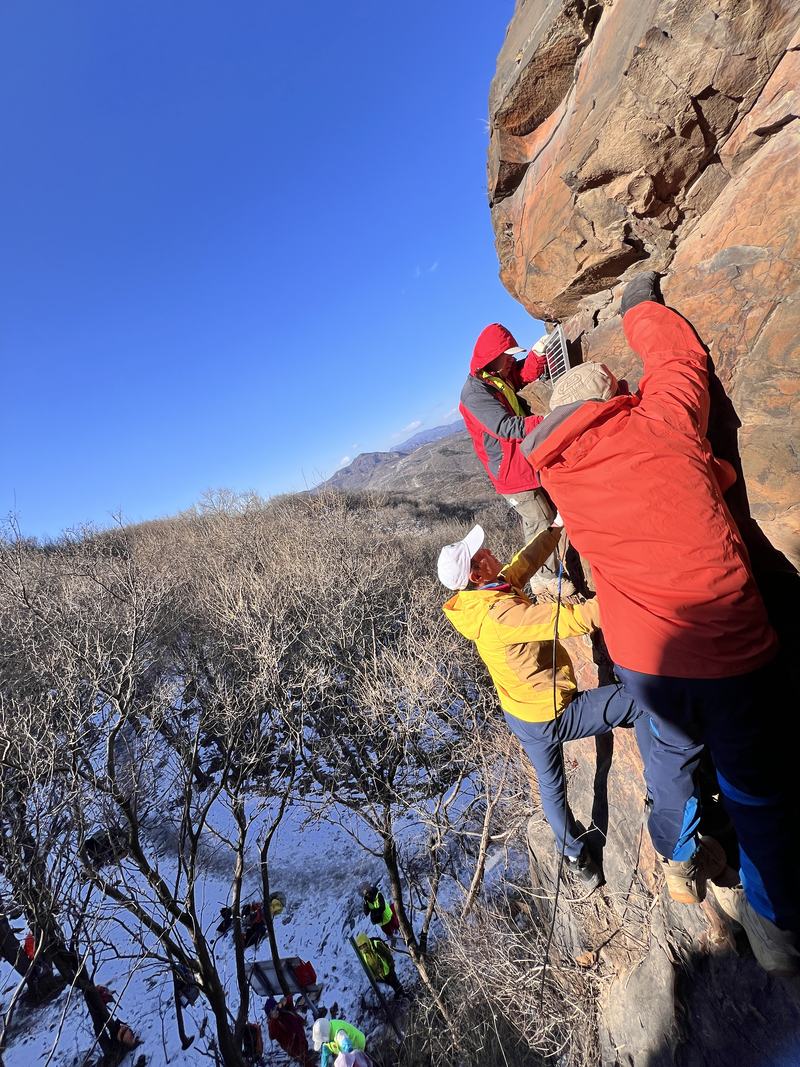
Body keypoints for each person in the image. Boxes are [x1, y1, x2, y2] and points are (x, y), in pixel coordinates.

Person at [521, 271, 799, 975]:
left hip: (648, 659)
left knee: (671, 762)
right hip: (729, 644)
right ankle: (776, 932)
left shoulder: (560, 477)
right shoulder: (663, 419)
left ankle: (679, 861)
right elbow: (680, 362)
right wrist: (641, 301)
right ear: (615, 398)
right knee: (754, 786)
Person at [438, 522, 649, 888]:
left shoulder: (484, 595)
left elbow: (525, 561)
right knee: (641, 701)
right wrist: (621, 600)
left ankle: (573, 856)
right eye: (481, 554)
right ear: (475, 572)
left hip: (522, 714)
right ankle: (661, 794)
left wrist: (554, 530)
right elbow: (565, 620)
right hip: (553, 714)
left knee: (552, 788)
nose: (489, 551)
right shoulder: (498, 615)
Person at [460, 322, 574, 596]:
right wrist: (547, 421)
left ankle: (547, 571)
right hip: (511, 472)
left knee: (543, 516)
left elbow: (521, 377)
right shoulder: (475, 394)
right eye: (507, 354)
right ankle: (544, 580)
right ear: (490, 356)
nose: (511, 359)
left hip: (523, 461)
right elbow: (506, 427)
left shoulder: (496, 375)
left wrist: (536, 355)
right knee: (540, 519)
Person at [265, 995, 313, 1066]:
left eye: (275, 1008)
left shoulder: (283, 1011)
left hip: (300, 1037)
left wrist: (284, 1001)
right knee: (305, 1059)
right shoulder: (273, 1024)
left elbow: (289, 998)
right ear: (269, 1015)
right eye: (272, 1011)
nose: (275, 1011)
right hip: (293, 1046)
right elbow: (272, 1035)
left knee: (305, 1050)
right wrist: (274, 1021)